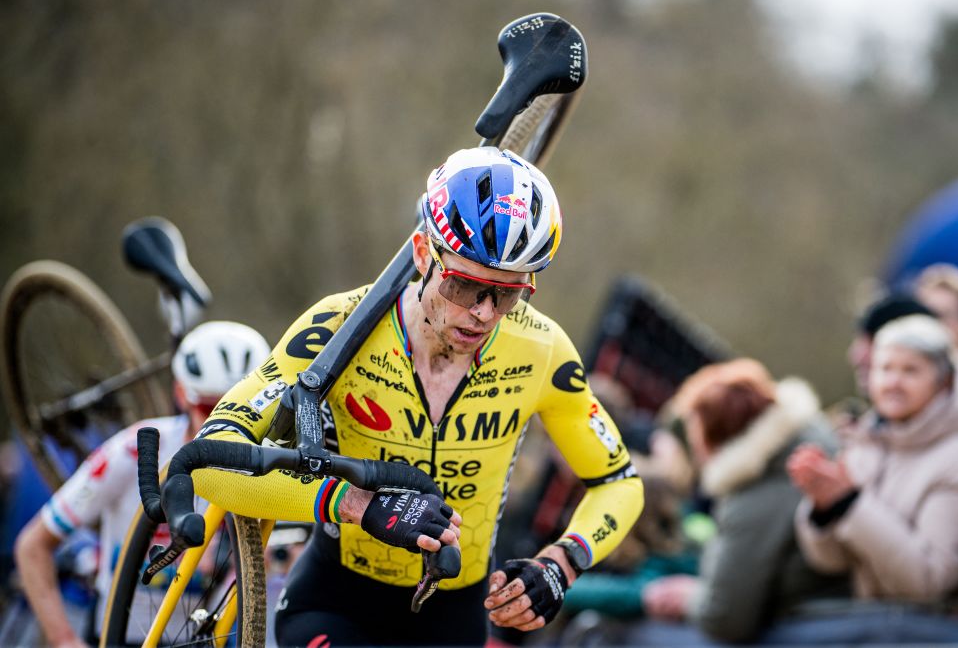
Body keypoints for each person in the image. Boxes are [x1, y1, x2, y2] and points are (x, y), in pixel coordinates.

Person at [190, 147, 644, 647]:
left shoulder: (543, 350)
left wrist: (563, 561)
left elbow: (619, 483)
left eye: (510, 293)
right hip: (336, 600)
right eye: (466, 287)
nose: (486, 314)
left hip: (454, 616)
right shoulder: (340, 328)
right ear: (424, 253)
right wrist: (352, 503)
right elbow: (209, 462)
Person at [13, 321, 271, 648]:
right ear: (181, 394)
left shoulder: (266, 459)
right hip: (119, 635)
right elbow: (32, 545)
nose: (223, 422)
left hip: (204, 636)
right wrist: (64, 640)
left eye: (240, 409)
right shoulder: (132, 450)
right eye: (210, 408)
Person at [783, 315, 958, 643]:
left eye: (910, 370)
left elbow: (930, 582)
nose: (893, 382)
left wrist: (850, 504)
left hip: (951, 636)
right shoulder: (869, 444)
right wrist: (824, 507)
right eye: (885, 368)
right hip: (879, 633)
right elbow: (831, 562)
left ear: (944, 381)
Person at [620, 359, 847, 646]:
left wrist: (689, 598)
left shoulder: (754, 499)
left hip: (803, 625)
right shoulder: (810, 441)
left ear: (713, 434)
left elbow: (725, 617)